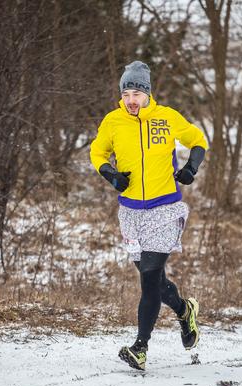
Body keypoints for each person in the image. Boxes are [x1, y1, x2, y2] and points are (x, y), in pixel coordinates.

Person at [89, 61, 208, 370]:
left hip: (164, 209)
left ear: (147, 94)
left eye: (136, 93)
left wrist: (191, 168)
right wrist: (110, 175)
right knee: (152, 279)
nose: (131, 100)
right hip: (131, 213)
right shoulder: (113, 121)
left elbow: (198, 141)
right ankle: (184, 311)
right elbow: (97, 152)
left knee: (150, 277)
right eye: (126, 93)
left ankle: (140, 347)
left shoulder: (167, 118)